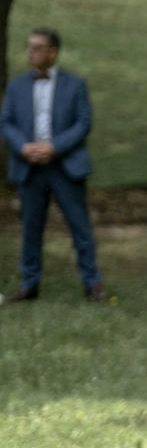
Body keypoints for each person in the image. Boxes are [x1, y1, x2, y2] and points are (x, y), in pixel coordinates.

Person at [1, 27, 103, 303]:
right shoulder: (17, 86)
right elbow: (6, 122)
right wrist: (24, 147)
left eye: (37, 47)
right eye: (29, 47)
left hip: (65, 166)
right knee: (30, 228)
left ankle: (92, 284)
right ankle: (29, 285)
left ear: (53, 52)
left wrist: (54, 147)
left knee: (80, 226)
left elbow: (83, 123)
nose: (31, 53)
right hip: (29, 166)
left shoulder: (75, 84)